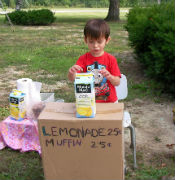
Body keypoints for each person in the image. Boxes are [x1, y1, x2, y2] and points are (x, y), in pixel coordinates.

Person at [68, 19, 121, 103]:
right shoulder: (83, 59)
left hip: (109, 102)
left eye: (99, 42)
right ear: (86, 40)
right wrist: (72, 73)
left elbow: (117, 82)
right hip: (88, 102)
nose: (95, 46)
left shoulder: (111, 59)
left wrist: (110, 77)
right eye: (91, 42)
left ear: (107, 40)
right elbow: (73, 79)